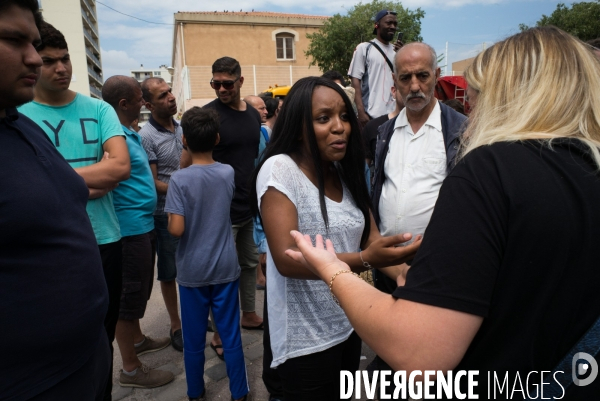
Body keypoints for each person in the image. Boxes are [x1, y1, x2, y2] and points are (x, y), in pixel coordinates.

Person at [286, 27, 600, 399]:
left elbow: (420, 354)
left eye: (479, 93)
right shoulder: (585, 166)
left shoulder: (489, 166)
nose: (471, 106)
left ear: (513, 94)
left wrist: (332, 268)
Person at [250, 77, 420, 400]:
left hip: (348, 322)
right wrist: (365, 260)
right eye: (324, 118)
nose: (340, 127)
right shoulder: (280, 170)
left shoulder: (342, 171)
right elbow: (287, 257)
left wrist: (406, 274)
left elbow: (370, 238)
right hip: (304, 341)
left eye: (344, 116)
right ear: (298, 124)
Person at [1, 2, 110, 399]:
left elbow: (116, 170)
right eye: (15, 40)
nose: (33, 57)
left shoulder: (21, 126)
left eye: (34, 42)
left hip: (86, 359)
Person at [19, 21, 130, 401]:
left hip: (106, 238)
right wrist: (90, 181)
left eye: (65, 59)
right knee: (64, 343)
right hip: (53, 247)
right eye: (49, 61)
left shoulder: (98, 108)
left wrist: (54, 181)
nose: (61, 68)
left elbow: (119, 168)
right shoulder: (18, 117)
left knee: (105, 332)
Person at [165, 107, 250, 401]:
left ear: (184, 140)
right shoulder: (226, 172)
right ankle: (239, 392)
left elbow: (176, 229)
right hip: (225, 267)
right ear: (216, 138)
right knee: (231, 335)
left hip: (192, 271)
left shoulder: (178, 179)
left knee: (193, 340)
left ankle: (195, 391)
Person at [181, 57, 264, 358]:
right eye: (216, 83)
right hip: (218, 212)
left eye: (227, 83)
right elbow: (186, 164)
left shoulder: (253, 115)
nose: (221, 89)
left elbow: (253, 159)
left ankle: (250, 314)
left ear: (241, 81)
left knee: (249, 263)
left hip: (246, 204)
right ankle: (219, 333)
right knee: (221, 273)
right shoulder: (207, 115)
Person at [371, 42, 467, 296]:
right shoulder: (385, 133)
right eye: (405, 78)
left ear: (436, 76)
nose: (414, 86)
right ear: (395, 80)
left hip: (437, 268)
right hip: (387, 266)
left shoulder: (462, 132)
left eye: (422, 75)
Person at [102, 76, 174, 389]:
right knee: (127, 297)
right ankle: (130, 369)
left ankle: (138, 339)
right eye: (139, 98)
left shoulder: (126, 134)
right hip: (129, 229)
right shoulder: (110, 137)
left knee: (139, 291)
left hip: (142, 225)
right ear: (124, 104)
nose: (143, 103)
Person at [139, 77, 184, 352]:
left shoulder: (181, 127)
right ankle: (176, 325)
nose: (170, 97)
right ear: (148, 104)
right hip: (164, 213)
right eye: (162, 95)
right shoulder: (146, 137)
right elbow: (152, 183)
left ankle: (196, 315)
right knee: (169, 272)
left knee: (191, 265)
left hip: (188, 209)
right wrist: (185, 192)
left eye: (169, 91)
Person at [348, 10, 402, 127]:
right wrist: (361, 112)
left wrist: (403, 54)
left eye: (395, 24)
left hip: (393, 116)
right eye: (388, 23)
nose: (392, 27)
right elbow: (355, 80)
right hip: (370, 116)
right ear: (377, 25)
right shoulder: (364, 48)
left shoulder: (397, 52)